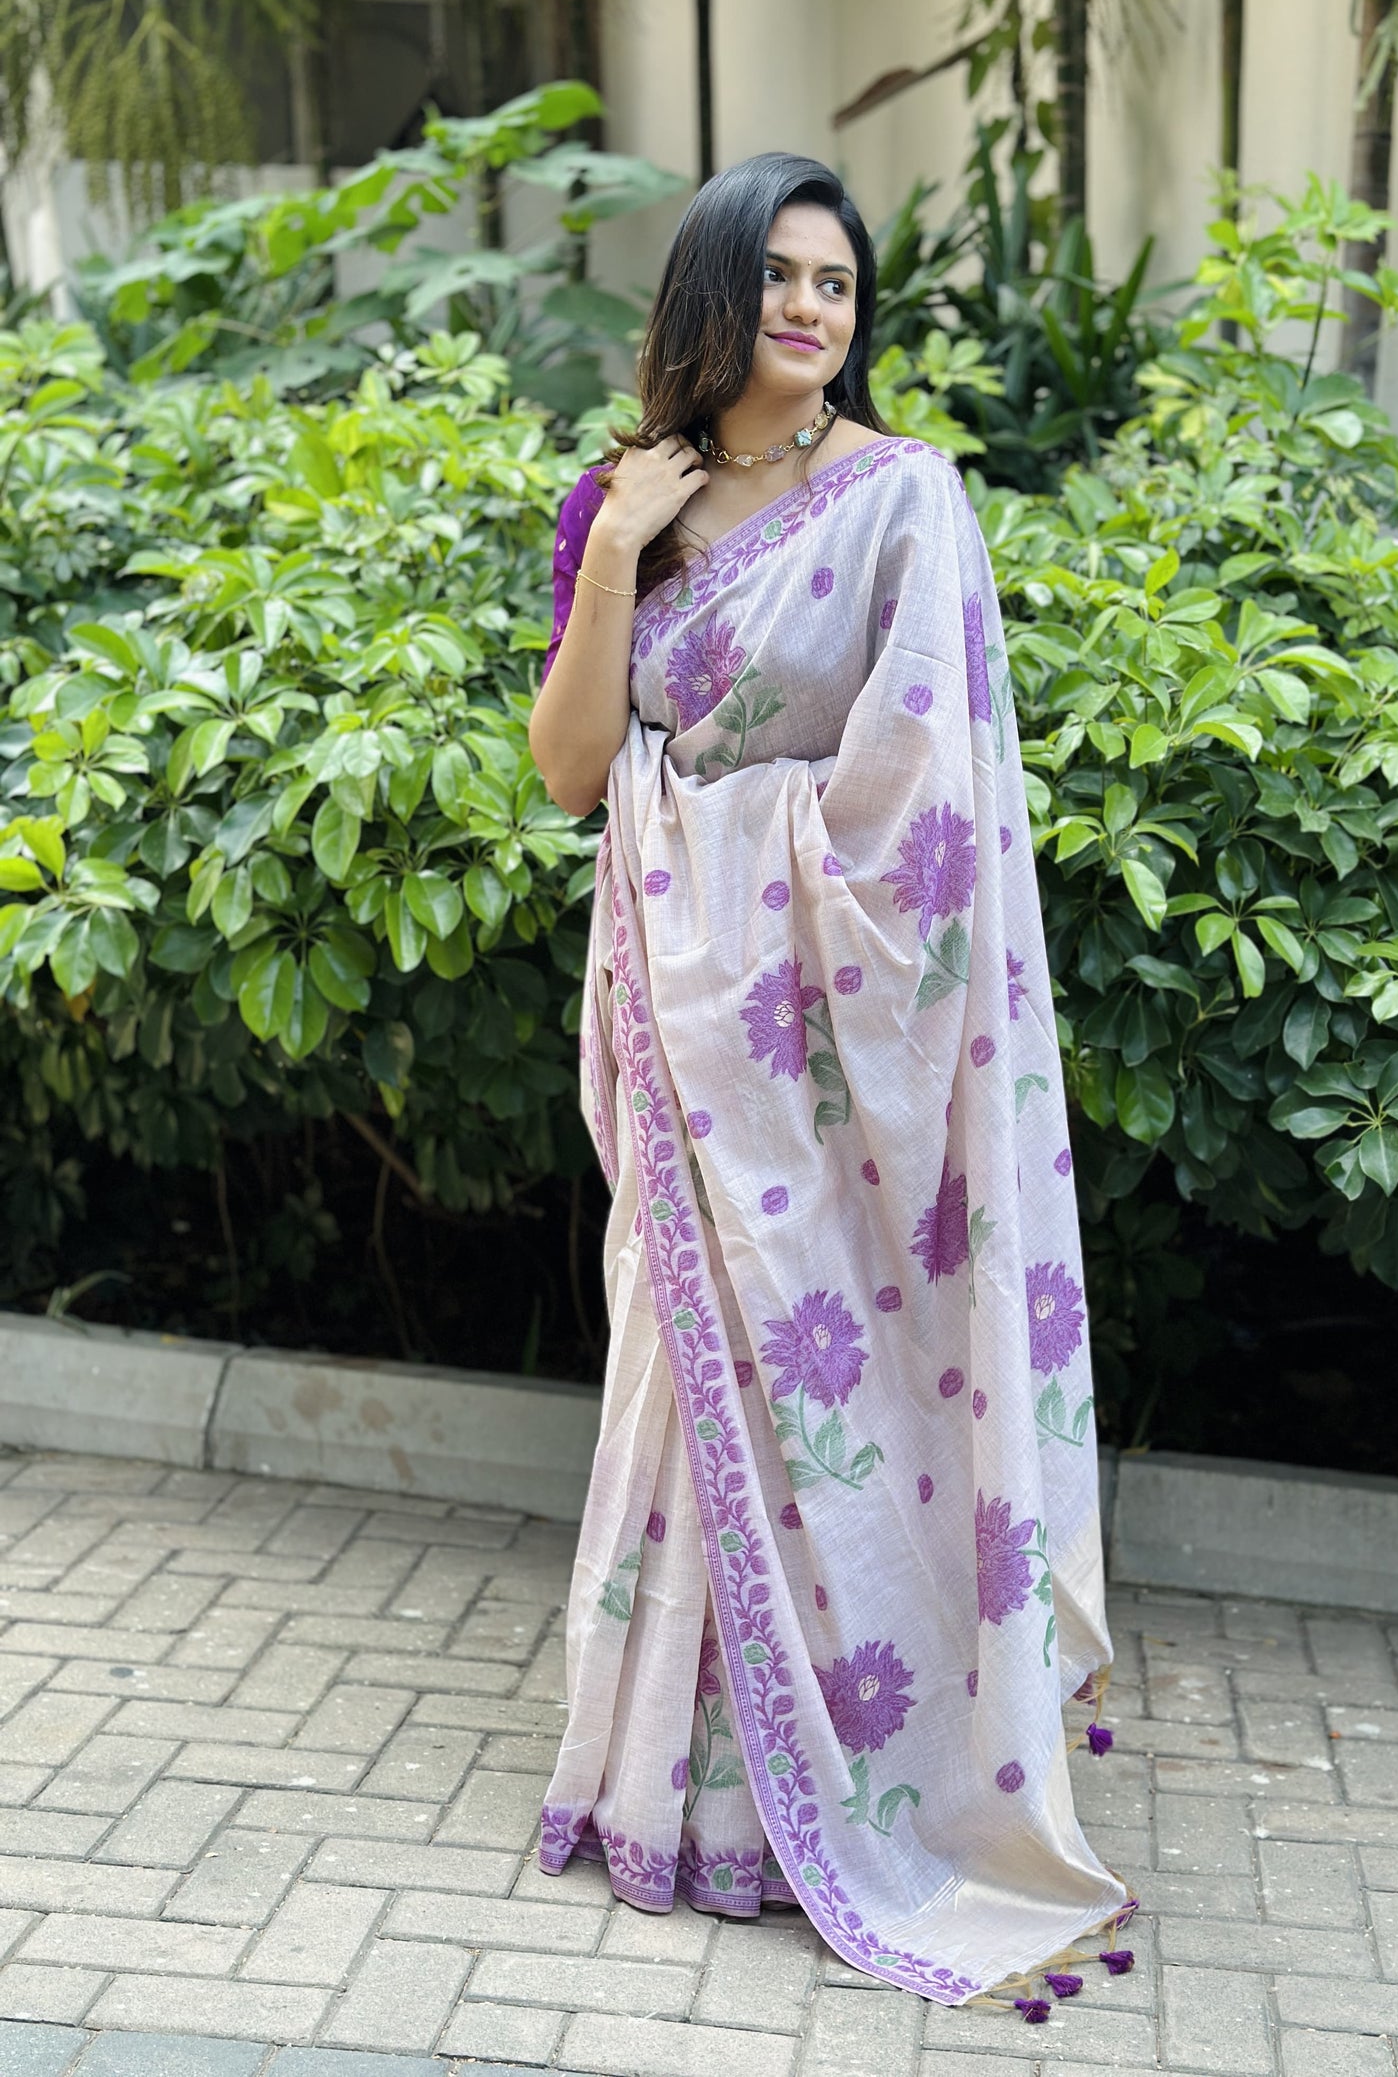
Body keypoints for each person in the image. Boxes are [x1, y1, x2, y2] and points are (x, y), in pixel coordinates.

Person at [527, 152, 1132, 2016]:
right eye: (780, 277)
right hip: (677, 1029)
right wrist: (620, 551)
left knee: (844, 1391)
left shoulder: (902, 504)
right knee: (678, 1389)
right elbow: (569, 777)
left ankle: (867, 1788)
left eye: (838, 285)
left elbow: (923, 809)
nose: (812, 309)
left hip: (826, 1042)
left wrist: (749, 864)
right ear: (716, 291)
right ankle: (684, 1796)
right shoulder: (620, 507)